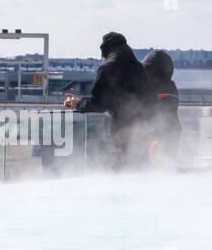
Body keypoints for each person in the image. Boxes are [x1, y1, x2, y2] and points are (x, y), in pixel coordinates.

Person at [63, 32, 151, 169]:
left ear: (105, 50)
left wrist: (78, 103)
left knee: (118, 174)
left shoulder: (108, 68)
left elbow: (100, 103)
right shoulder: (139, 68)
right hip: (143, 132)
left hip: (121, 132)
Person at [142, 50, 181, 166]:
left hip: (158, 137)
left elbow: (147, 111)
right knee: (169, 166)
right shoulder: (171, 86)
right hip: (173, 131)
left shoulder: (153, 88)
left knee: (157, 168)